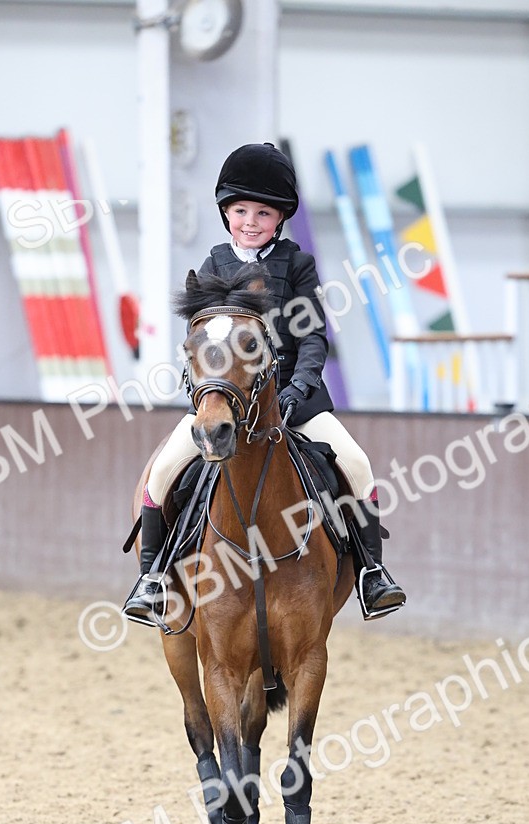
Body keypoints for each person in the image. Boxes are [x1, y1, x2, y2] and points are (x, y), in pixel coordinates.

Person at [124, 142, 406, 624]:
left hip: (297, 400)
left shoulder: (297, 265)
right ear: (225, 212)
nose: (250, 221)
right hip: (225, 400)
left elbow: (314, 335)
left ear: (280, 218)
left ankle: (372, 574)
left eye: (262, 212)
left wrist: (298, 387)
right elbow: (199, 338)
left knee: (357, 465)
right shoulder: (213, 264)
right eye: (240, 211)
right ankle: (151, 577)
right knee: (162, 471)